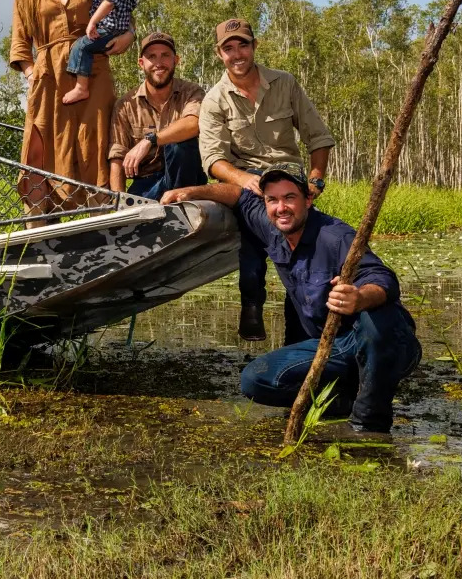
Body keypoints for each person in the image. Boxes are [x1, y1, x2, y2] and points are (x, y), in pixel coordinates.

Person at [161, 163, 421, 433]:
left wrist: (359, 297)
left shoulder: (335, 236)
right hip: (332, 348)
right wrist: (190, 191)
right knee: (255, 379)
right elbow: (238, 195)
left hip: (381, 344)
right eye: (272, 200)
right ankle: (344, 399)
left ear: (308, 200)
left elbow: (382, 278)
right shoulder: (273, 225)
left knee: (376, 318)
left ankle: (370, 424)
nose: (280, 208)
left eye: (289, 198)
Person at [199, 17, 335, 342]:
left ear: (254, 46)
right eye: (228, 48)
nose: (236, 54)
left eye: (242, 45)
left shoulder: (285, 83)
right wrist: (244, 178)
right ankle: (268, 308)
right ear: (220, 54)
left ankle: (258, 307)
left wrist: (315, 181)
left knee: (285, 242)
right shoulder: (214, 99)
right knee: (278, 236)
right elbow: (214, 159)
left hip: (290, 177)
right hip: (248, 180)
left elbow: (319, 137)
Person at [9, 0, 135, 217]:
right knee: (39, 148)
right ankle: (38, 228)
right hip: (48, 78)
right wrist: (31, 73)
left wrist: (130, 35)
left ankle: (103, 225)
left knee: (96, 143)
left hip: (93, 72)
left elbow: (122, 6)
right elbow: (20, 40)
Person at [108, 31, 207, 199]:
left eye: (165, 55)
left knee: (179, 145)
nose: (159, 63)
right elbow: (117, 156)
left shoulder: (191, 92)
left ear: (176, 60)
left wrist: (149, 140)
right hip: (147, 183)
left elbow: (193, 123)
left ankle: (179, 206)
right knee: (136, 207)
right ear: (141, 63)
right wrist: (120, 203)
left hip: (188, 179)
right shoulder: (125, 105)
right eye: (152, 56)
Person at [62, 0, 137, 105]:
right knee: (84, 48)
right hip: (109, 28)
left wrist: (93, 22)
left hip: (110, 29)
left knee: (81, 46)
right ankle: (80, 85)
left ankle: (81, 87)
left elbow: (109, 2)